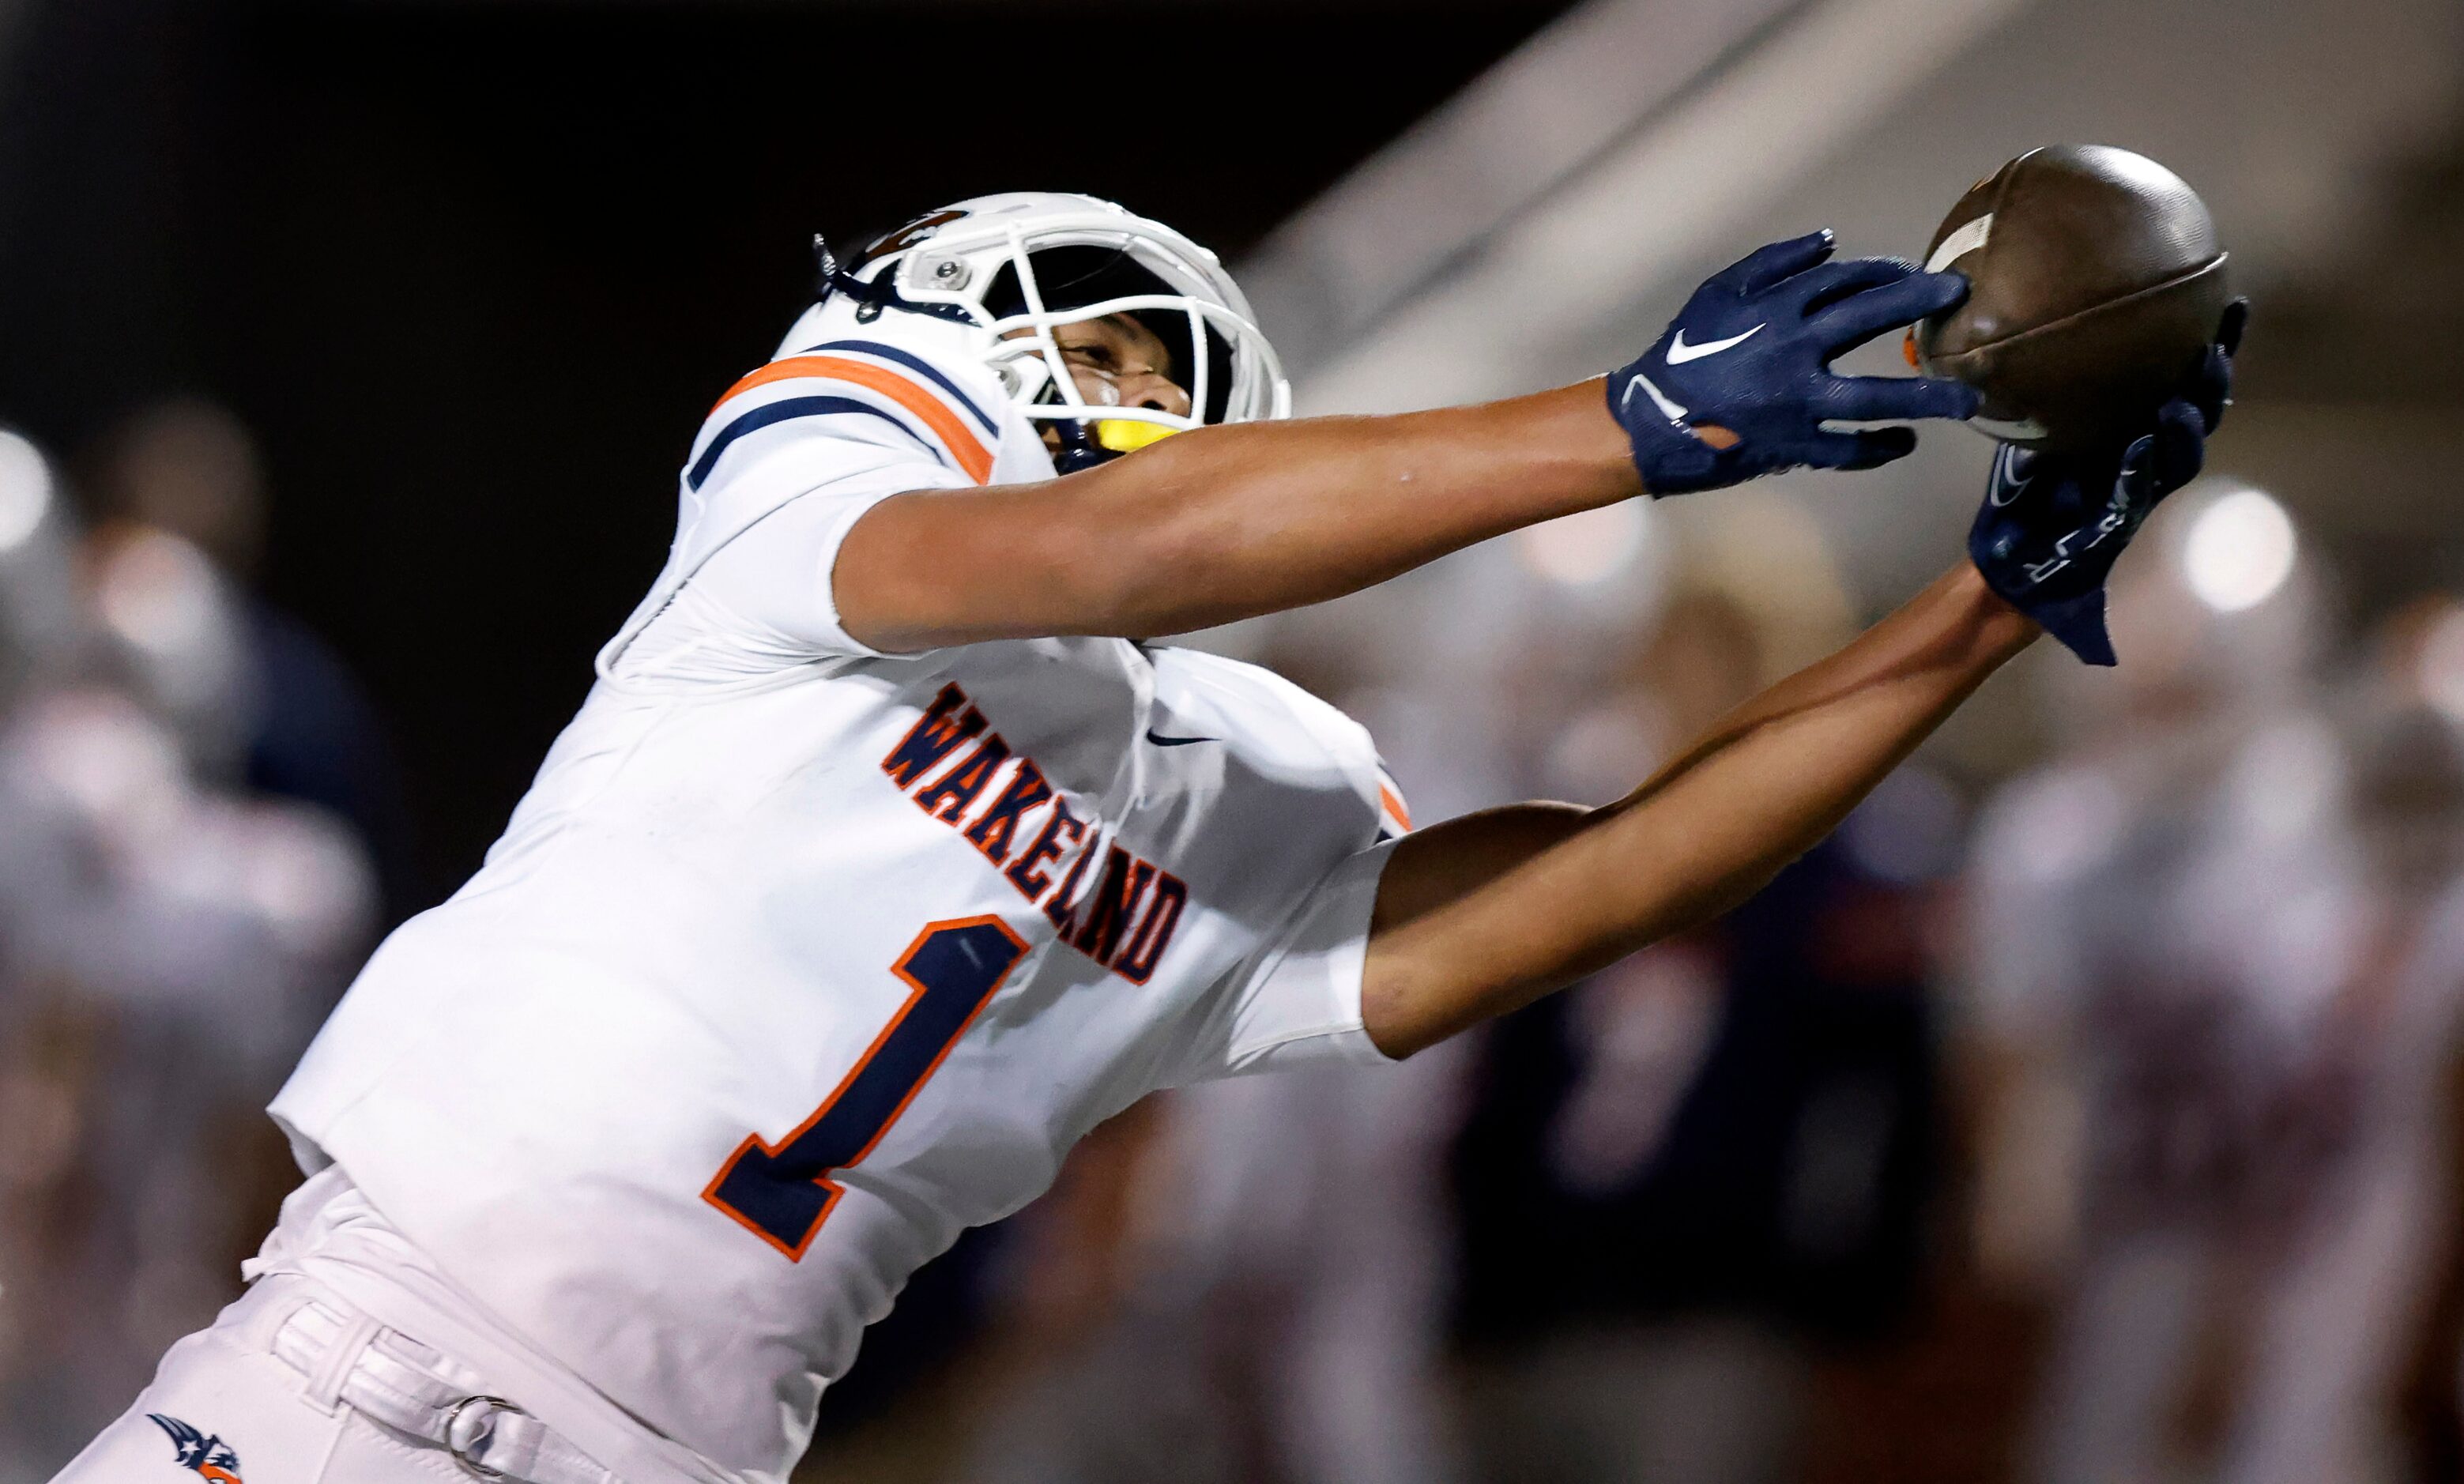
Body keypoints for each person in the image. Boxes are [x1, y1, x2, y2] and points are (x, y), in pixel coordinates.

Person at [54, 192, 2239, 1484]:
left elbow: (1588, 887)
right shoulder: (805, 524)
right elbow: (1132, 534)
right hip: (352, 1385)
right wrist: (1627, 430)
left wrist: (1978, 613)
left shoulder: (1234, 769)